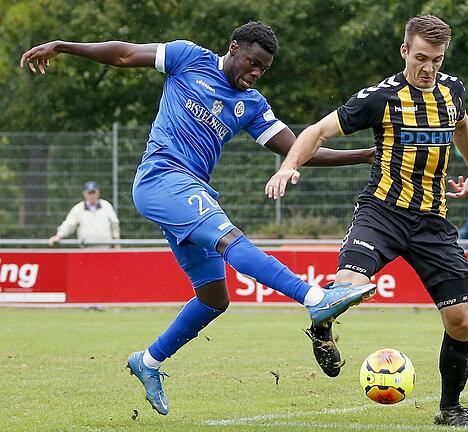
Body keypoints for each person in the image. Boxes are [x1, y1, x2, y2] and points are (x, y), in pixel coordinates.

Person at [21, 21, 377, 416]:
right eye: (253, 62)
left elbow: (296, 152)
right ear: (234, 48)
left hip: (192, 191)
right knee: (230, 239)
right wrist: (64, 45)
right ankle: (314, 298)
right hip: (161, 177)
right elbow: (122, 54)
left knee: (213, 298)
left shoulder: (253, 105)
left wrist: (361, 155)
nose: (256, 72)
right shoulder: (188, 57)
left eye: (264, 68)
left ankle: (149, 361)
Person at [266, 15, 468, 427]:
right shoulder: (380, 98)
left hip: (433, 222)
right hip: (381, 213)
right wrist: (288, 165)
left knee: (461, 321)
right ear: (405, 51)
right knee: (347, 286)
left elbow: (463, 124)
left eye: (436, 60)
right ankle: (322, 327)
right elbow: (317, 130)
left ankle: (450, 408)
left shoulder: (452, 90)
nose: (428, 68)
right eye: (420, 58)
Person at [48, 181, 120, 248]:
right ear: (84, 193)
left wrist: (117, 242)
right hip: (86, 248)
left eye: (93, 192)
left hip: (105, 248)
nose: (92, 195)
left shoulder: (106, 206)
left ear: (98, 193)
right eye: (89, 193)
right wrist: (59, 235)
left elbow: (114, 223)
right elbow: (69, 224)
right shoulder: (78, 208)